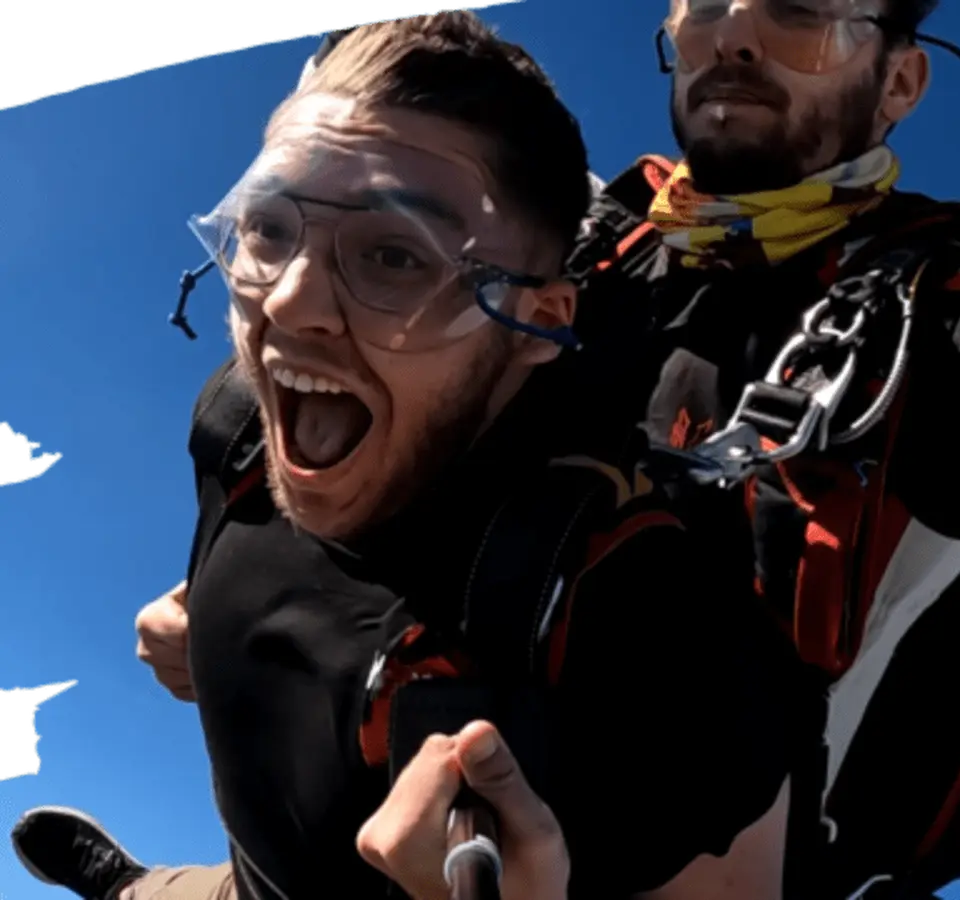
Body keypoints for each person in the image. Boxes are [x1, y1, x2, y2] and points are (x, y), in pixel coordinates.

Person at [9, 13, 806, 900]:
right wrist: (206, 609)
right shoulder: (235, 417)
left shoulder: (664, 630)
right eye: (270, 227)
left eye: (393, 255)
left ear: (539, 322)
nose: (292, 306)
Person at [557, 2, 960, 899]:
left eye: (796, 11)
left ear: (899, 79)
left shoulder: (957, 329)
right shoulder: (556, 265)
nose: (732, 37)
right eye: (702, 10)